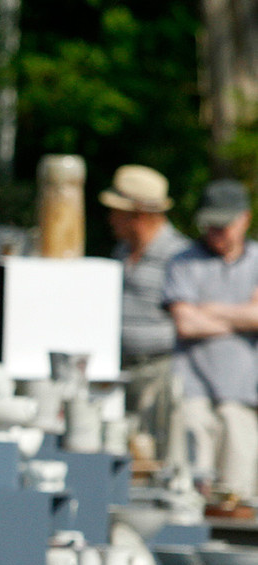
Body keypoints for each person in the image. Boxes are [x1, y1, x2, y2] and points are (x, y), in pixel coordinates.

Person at [166, 179, 258, 498]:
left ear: (244, 218)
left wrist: (212, 310)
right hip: (192, 389)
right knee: (187, 489)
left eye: (224, 225)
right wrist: (242, 315)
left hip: (243, 395)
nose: (216, 232)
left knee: (237, 492)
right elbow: (186, 324)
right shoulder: (183, 261)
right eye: (211, 225)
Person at [102, 165, 190, 463]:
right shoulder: (122, 252)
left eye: (117, 211)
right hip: (122, 371)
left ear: (137, 214)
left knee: (156, 456)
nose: (111, 218)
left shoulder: (179, 256)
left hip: (159, 372)